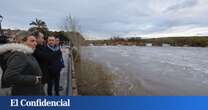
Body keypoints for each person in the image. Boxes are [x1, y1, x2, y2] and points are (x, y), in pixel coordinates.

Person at [0, 31, 45, 96]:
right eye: (32, 41)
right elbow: (9, 76)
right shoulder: (20, 55)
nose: (35, 43)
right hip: (27, 94)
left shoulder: (26, 53)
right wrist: (34, 79)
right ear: (21, 42)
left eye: (35, 41)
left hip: (31, 91)